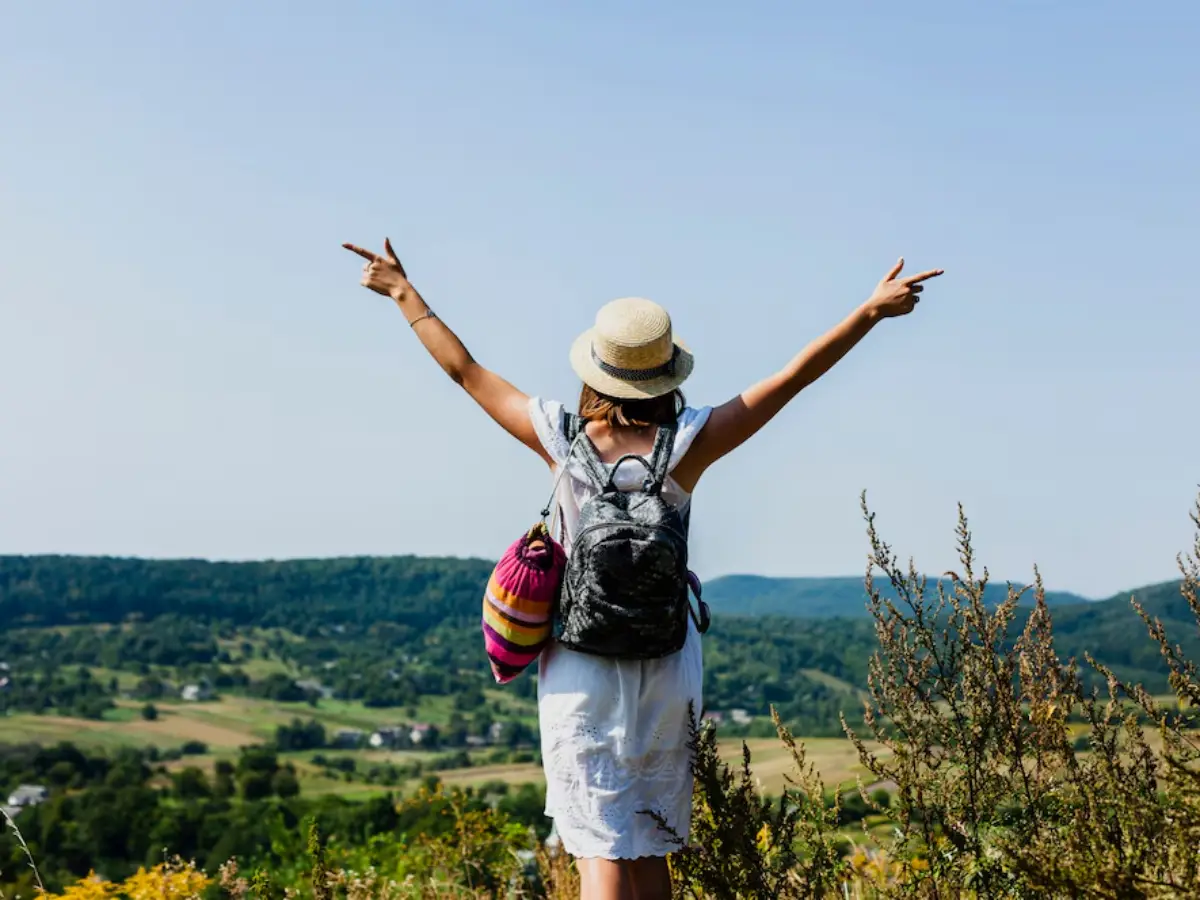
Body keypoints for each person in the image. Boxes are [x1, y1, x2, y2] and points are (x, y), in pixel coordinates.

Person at [343, 237, 943, 900]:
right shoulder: (690, 444)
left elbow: (465, 370)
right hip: (665, 666)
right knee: (649, 839)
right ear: (666, 374)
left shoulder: (558, 437)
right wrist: (869, 312)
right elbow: (793, 378)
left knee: (599, 846)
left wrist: (403, 292)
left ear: (595, 370)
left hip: (580, 668)